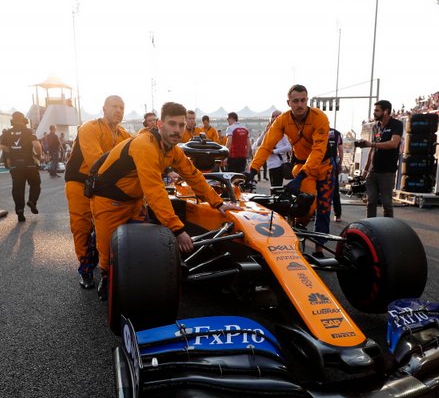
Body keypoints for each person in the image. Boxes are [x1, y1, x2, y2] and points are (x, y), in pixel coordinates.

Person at [89, 101, 241, 300]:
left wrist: (218, 203)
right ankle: (106, 277)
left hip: (134, 200)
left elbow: (193, 175)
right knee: (107, 250)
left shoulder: (173, 149)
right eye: (172, 124)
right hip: (108, 200)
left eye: (181, 125)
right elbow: (155, 191)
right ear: (160, 124)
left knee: (142, 245)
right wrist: (177, 229)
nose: (177, 130)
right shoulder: (145, 145)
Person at [247, 84, 333, 257]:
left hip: (324, 166)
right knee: (307, 207)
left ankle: (319, 250)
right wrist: (252, 170)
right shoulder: (282, 120)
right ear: (289, 102)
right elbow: (266, 146)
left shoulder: (319, 117)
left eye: (303, 100)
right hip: (301, 165)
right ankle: (298, 226)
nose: (300, 104)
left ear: (307, 100)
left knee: (324, 208)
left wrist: (301, 176)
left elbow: (318, 150)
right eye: (295, 101)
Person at [64, 95, 131, 289]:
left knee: (105, 225)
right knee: (81, 226)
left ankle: (104, 261)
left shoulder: (124, 134)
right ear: (104, 108)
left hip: (104, 183)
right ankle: (85, 268)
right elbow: (97, 161)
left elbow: (138, 150)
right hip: (79, 181)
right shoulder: (89, 128)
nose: (118, 110)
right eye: (114, 106)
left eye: (121, 107)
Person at [359, 100, 403, 218]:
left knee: (386, 203)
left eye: (377, 110)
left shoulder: (397, 124)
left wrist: (372, 145)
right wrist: (366, 169)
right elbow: (372, 149)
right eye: (374, 110)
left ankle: (388, 229)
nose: (374, 113)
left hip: (387, 171)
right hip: (373, 172)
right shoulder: (375, 127)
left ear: (386, 111)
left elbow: (394, 144)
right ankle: (370, 227)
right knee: (371, 201)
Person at [0, 112, 41, 221]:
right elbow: (37, 145)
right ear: (24, 120)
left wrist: (10, 153)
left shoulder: (7, 133)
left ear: (12, 120)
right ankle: (32, 201)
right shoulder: (28, 131)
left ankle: (19, 211)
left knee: (18, 189)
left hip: (15, 165)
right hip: (29, 164)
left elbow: (2, 146)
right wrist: (39, 156)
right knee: (35, 183)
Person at [254, 110, 292, 188]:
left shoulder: (283, 132)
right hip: (271, 164)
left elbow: (289, 147)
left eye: (277, 116)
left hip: (278, 164)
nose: (274, 118)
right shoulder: (268, 131)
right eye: (272, 116)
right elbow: (257, 143)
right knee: (274, 187)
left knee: (276, 188)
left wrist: (274, 151)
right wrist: (265, 132)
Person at [328, 127, 344, 222]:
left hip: (320, 164)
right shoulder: (337, 133)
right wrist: (340, 164)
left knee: (317, 189)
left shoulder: (318, 129)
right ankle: (338, 215)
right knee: (335, 191)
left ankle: (313, 213)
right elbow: (340, 151)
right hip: (333, 164)